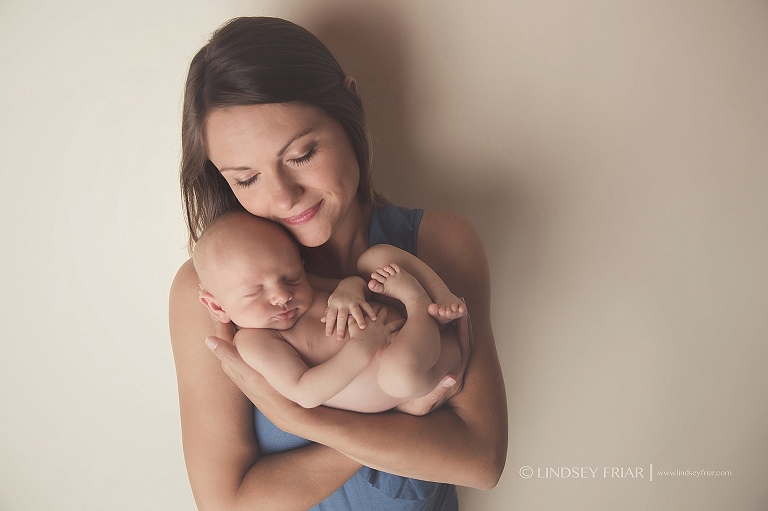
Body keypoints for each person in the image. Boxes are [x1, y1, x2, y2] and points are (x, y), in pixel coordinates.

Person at [169, 16, 507, 511]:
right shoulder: (217, 293)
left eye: (301, 155)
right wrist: (407, 418)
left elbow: (480, 460)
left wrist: (305, 420)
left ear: (348, 106)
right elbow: (226, 505)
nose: (283, 196)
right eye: (246, 179)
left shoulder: (438, 243)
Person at [194, 211, 465, 413]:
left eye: (291, 277)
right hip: (406, 369)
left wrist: (349, 290)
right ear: (217, 306)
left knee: (376, 257)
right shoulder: (254, 342)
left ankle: (439, 297)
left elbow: (362, 287)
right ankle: (418, 304)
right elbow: (304, 391)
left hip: (415, 341)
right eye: (255, 292)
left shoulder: (307, 288)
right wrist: (363, 346)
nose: (282, 295)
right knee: (399, 377)